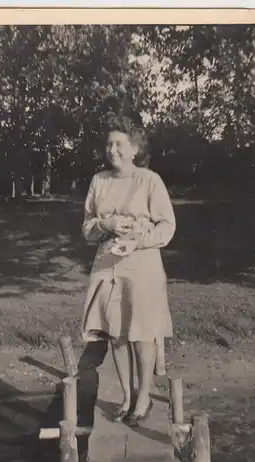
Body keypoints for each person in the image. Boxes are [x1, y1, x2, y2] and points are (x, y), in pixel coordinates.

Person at [81, 111, 176, 427]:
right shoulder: (99, 181)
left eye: (120, 144)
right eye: (109, 145)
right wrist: (105, 223)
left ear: (135, 148)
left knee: (141, 333)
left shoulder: (149, 181)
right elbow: (87, 228)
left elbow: (167, 226)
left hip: (141, 263)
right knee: (116, 333)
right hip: (108, 265)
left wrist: (140, 241)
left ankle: (144, 397)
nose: (113, 151)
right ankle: (126, 395)